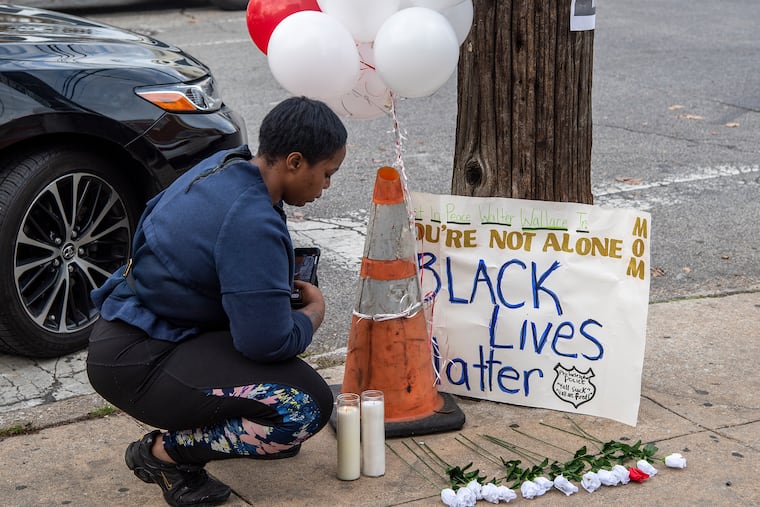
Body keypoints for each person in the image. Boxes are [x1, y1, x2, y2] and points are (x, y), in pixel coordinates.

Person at [86, 97, 347, 507]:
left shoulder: (231, 165)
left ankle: (244, 429)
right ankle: (163, 455)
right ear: (295, 162)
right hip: (139, 360)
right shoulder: (251, 221)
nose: (326, 187)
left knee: (279, 387)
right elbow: (267, 343)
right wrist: (314, 312)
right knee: (303, 407)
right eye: (327, 174)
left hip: (134, 330)